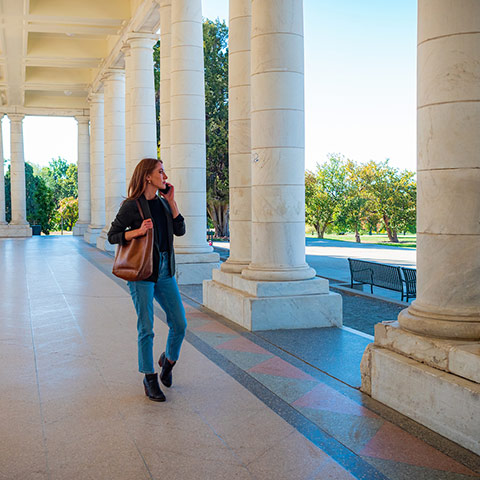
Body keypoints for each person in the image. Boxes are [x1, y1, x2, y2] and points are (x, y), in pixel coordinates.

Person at [108, 158, 187, 402]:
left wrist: (172, 203)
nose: (164, 175)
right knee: (147, 327)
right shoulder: (132, 206)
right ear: (147, 177)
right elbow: (113, 236)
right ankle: (149, 377)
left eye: (164, 171)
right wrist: (138, 232)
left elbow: (180, 230)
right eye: (160, 172)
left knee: (180, 323)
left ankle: (168, 360)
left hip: (164, 271)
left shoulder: (164, 203)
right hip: (142, 272)